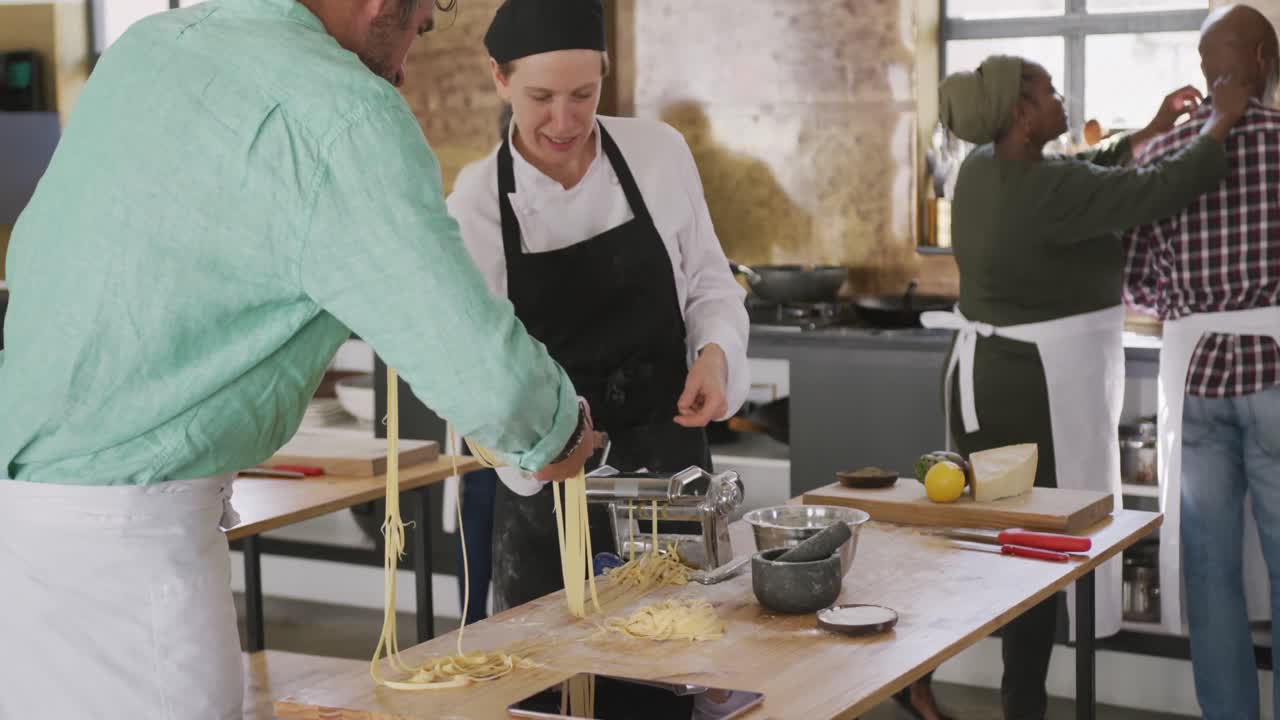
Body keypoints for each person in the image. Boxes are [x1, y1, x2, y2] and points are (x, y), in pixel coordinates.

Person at [0, 1, 605, 717]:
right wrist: (562, 432)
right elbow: (487, 376)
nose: (408, 63)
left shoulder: (151, 47)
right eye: (420, 25)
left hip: (22, 525)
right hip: (132, 554)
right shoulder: (341, 110)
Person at [919, 56, 1248, 720]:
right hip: (1030, 389)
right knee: (1038, 557)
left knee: (1010, 553)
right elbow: (1152, 191)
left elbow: (1084, 174)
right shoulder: (1040, 187)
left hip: (991, 380)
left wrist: (1151, 125)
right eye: (1049, 91)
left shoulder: (982, 168)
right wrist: (1224, 123)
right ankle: (1023, 708)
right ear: (1021, 113)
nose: (1061, 99)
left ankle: (960, 686)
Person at [445, 0, 749, 613]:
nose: (565, 120)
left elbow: (711, 280)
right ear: (500, 78)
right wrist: (541, 453)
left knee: (677, 675)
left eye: (584, 94)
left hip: (673, 480)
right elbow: (473, 371)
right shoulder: (476, 203)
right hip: (550, 493)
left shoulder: (659, 154)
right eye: (541, 97)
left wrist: (715, 355)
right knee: (551, 692)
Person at [1121, 6, 1280, 718]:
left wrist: (1194, 300)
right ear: (1265, 59)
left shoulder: (1161, 157)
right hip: (1277, 375)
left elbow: (1139, 285)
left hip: (1197, 383)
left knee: (1211, 576)